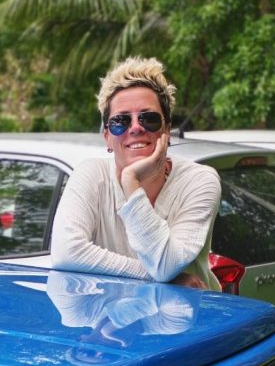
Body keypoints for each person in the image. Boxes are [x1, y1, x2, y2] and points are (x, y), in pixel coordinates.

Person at [50, 56, 221, 288]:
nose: (136, 128)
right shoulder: (90, 175)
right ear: (107, 138)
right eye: (121, 121)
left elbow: (164, 264)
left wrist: (131, 180)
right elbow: (65, 251)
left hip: (183, 321)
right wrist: (163, 280)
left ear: (167, 130)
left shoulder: (200, 180)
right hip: (108, 319)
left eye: (149, 119)